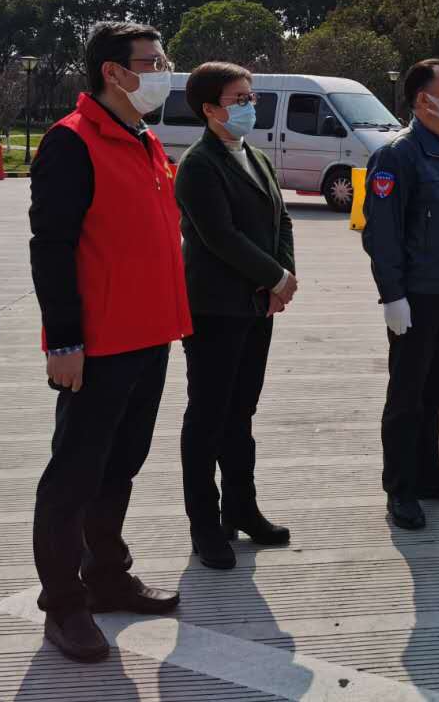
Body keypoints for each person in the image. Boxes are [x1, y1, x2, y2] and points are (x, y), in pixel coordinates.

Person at [28, 21, 193, 663]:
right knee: (73, 475)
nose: (162, 71)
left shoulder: (143, 138)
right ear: (112, 72)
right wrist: (64, 340)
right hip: (98, 343)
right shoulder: (72, 142)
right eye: (151, 62)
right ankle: (63, 605)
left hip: (151, 334)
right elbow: (52, 248)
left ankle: (106, 575)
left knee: (120, 465)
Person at [174, 62, 298, 569]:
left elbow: (281, 218)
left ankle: (242, 508)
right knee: (208, 416)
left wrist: (283, 275)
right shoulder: (198, 165)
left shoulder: (256, 157)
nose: (250, 106)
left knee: (241, 413)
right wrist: (274, 277)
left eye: (251, 97)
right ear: (210, 109)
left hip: (256, 306)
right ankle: (206, 525)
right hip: (214, 308)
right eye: (239, 99)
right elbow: (220, 237)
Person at [362, 59, 439, 530]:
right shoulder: (397, 155)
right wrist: (392, 295)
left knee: (437, 389)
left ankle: (428, 473)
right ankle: (400, 487)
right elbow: (382, 233)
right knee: (407, 395)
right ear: (422, 100)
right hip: (415, 296)